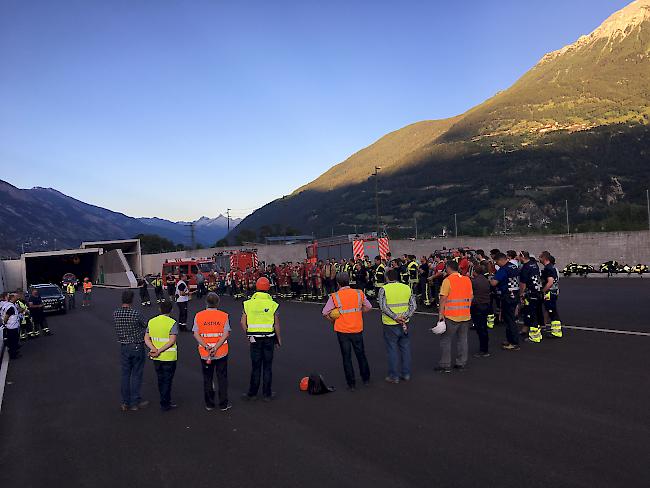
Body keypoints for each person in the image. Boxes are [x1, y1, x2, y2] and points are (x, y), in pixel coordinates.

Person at [322, 272, 373, 391]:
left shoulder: (335, 296)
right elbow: (369, 306)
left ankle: (351, 384)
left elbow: (324, 312)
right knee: (361, 355)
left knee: (347, 357)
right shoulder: (359, 293)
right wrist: (359, 312)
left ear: (338, 283)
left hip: (342, 331)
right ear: (349, 281)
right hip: (357, 328)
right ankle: (366, 379)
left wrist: (332, 320)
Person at [241, 277, 281, 402]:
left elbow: (242, 322)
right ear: (268, 288)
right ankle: (267, 394)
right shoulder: (272, 304)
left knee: (256, 366)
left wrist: (249, 334)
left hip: (255, 338)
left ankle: (252, 394)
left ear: (256, 287)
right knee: (267, 366)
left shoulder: (248, 303)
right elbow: (276, 324)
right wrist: (278, 339)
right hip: (269, 338)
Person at [193, 293, 231, 411]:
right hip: (221, 352)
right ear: (217, 302)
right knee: (222, 377)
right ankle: (223, 404)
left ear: (206, 302)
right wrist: (216, 347)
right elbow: (226, 334)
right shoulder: (224, 316)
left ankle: (209, 403)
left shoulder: (199, 316)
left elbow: (196, 334)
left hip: (205, 354)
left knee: (208, 378)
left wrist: (207, 347)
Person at [378, 269, 417, 383]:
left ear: (387, 278)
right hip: (405, 323)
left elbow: (383, 306)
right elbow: (413, 306)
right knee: (405, 348)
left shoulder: (384, 289)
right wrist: (405, 316)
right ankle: (406, 374)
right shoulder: (406, 287)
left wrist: (395, 317)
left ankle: (394, 376)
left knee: (392, 349)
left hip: (390, 324)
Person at [113, 290, 149, 412]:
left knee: (125, 375)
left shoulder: (116, 313)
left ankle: (124, 402)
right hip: (136, 345)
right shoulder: (135, 313)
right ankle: (135, 402)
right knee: (136, 375)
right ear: (132, 300)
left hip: (124, 346)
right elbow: (146, 325)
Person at [435, 260, 473, 373]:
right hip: (465, 315)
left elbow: (443, 299)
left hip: (451, 316)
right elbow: (471, 296)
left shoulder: (448, 280)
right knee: (463, 340)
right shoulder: (467, 279)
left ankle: (445, 364)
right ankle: (461, 362)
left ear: (448, 268)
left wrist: (440, 316)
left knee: (446, 340)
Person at [144, 300, 178, 411]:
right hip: (169, 357)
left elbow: (146, 338)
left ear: (160, 309)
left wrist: (154, 349)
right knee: (167, 380)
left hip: (156, 357)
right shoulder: (172, 322)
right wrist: (160, 350)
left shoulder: (152, 321)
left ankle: (164, 399)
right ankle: (165, 402)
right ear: (171, 310)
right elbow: (172, 340)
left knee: (160, 378)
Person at [490, 253, 521, 350]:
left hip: (507, 296)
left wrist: (490, 279)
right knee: (510, 319)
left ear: (501, 260)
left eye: (497, 262)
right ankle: (510, 340)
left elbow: (494, 282)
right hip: (515, 294)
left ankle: (514, 342)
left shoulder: (503, 269)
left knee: (510, 320)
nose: (497, 264)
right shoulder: (513, 266)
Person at [518, 251, 545, 343]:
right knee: (536, 312)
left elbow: (523, 283)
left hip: (531, 293)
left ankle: (534, 336)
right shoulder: (534, 264)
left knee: (531, 313)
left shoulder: (525, 268)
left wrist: (521, 294)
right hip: (538, 291)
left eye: (519, 256)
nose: (518, 258)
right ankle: (527, 329)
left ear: (522, 257)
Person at [540, 251, 562, 338]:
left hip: (550, 293)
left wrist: (543, 291)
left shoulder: (548, 268)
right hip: (553, 292)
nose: (539, 259)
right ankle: (556, 331)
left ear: (545, 258)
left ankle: (556, 332)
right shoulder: (551, 267)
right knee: (552, 311)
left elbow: (550, 282)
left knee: (552, 312)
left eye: (540, 257)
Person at [470, 263, 491, 357]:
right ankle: (484, 348)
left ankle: (484, 350)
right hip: (485, 304)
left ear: (474, 272)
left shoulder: (474, 281)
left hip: (477, 305)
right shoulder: (486, 280)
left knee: (481, 328)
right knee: (483, 328)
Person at [3, 293, 22, 359]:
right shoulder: (10, 307)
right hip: (12, 327)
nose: (17, 298)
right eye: (16, 297)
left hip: (12, 326)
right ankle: (13, 355)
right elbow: (6, 317)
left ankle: (14, 352)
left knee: (13, 341)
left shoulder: (10, 305)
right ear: (12, 298)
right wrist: (5, 323)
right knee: (13, 342)